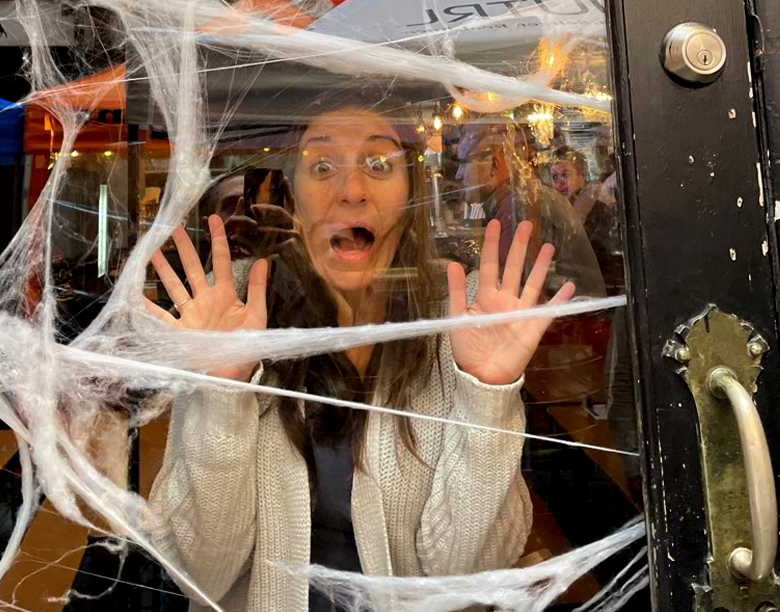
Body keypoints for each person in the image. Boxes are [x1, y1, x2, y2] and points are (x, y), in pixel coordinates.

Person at [144, 103, 576, 612]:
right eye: (322, 167)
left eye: (378, 164)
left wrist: (486, 393)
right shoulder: (232, 311)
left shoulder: (454, 317)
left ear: (411, 196)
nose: (351, 191)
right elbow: (199, 576)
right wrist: (223, 393)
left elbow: (462, 577)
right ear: (295, 202)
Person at [455, 123, 606, 298]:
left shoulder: (519, 204)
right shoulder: (517, 198)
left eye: (463, 163)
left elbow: (516, 289)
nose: (458, 174)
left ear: (493, 165)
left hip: (574, 316)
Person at [550, 146, 623, 294]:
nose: (560, 183)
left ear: (582, 176)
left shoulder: (597, 207)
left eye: (565, 175)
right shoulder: (565, 207)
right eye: (555, 177)